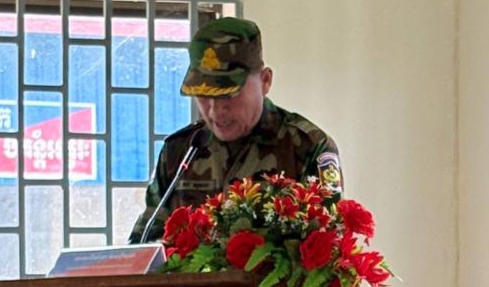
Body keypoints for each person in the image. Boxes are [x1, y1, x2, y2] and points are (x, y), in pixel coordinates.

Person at [129, 16, 342, 243]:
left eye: (228, 94)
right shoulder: (181, 150)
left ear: (265, 81)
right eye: (203, 95)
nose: (215, 110)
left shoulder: (307, 147)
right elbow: (145, 245)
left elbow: (328, 245)